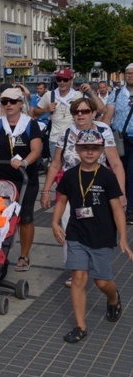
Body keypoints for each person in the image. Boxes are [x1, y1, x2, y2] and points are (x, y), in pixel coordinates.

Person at [52, 129, 133, 343]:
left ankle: (113, 298)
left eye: (95, 148)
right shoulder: (70, 175)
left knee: (102, 282)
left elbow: (117, 209)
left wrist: (123, 238)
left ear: (101, 150)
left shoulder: (107, 176)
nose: (89, 152)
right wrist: (54, 222)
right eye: (85, 148)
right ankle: (80, 327)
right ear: (77, 149)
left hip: (103, 235)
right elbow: (61, 200)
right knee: (78, 277)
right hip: (77, 234)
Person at [40, 98, 126, 286]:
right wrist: (46, 190)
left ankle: (96, 266)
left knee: (96, 229)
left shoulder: (103, 131)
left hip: (98, 191)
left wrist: (121, 193)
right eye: (76, 111)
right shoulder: (66, 134)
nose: (80, 115)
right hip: (71, 190)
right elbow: (56, 164)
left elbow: (116, 164)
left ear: (94, 113)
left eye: (85, 111)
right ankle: (77, 269)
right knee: (69, 227)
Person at [0, 87, 42, 272]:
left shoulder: (30, 125)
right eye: (4, 101)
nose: (8, 105)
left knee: (25, 218)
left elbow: (36, 150)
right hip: (1, 176)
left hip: (25, 178)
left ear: (20, 104)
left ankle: (24, 256)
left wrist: (24, 162)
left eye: (12, 101)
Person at [103, 62, 133, 224]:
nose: (130, 75)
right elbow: (107, 117)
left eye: (132, 73)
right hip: (120, 139)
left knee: (131, 174)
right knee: (116, 173)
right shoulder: (115, 94)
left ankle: (131, 209)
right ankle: (116, 204)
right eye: (128, 73)